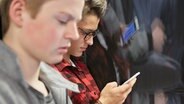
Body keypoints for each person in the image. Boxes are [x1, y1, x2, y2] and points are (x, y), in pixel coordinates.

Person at [0, 0, 84, 103]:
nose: (74, 35)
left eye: (76, 23)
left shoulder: (57, 84)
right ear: (19, 12)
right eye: (63, 20)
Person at [54, 0, 137, 103]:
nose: (90, 42)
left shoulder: (79, 63)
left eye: (93, 34)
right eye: (86, 33)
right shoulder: (52, 74)